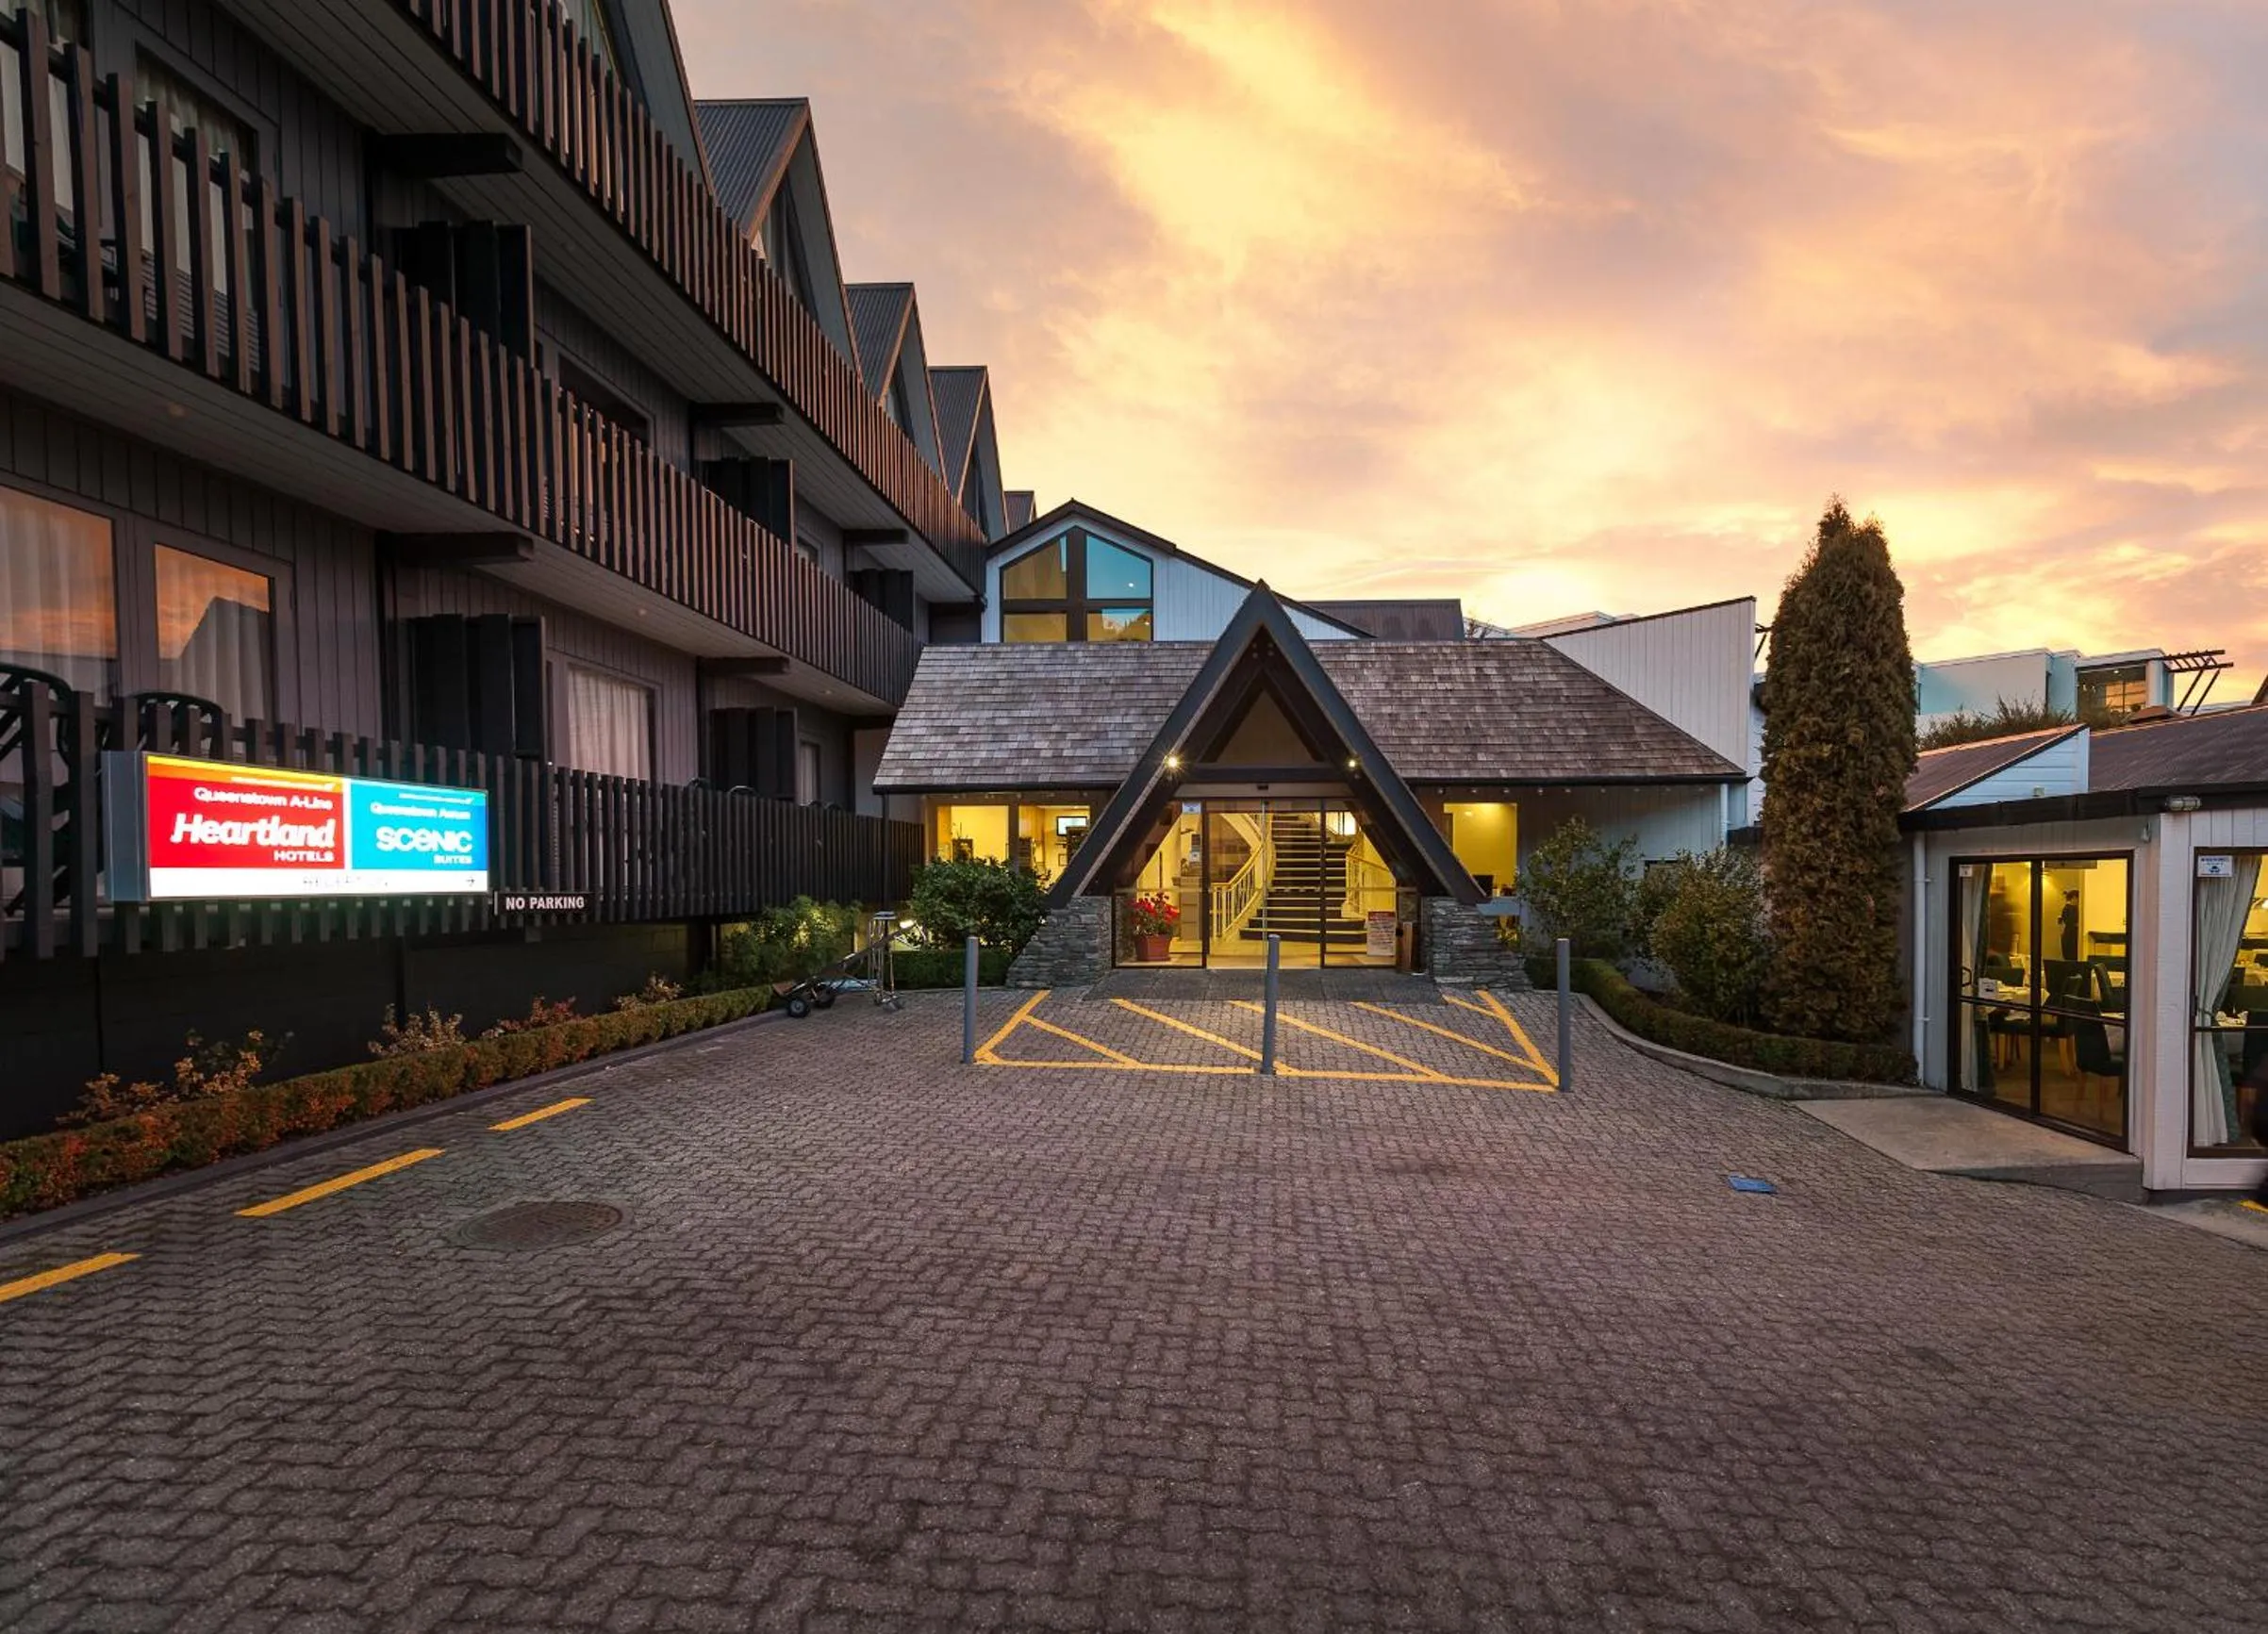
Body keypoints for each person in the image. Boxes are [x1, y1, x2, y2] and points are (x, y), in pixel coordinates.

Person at [2059, 890, 2080, 963]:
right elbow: (2071, 921)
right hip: (2071, 937)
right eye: (2078, 899)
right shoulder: (2070, 909)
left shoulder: (2066, 908)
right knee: (2072, 959)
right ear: (2074, 898)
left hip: (2068, 936)